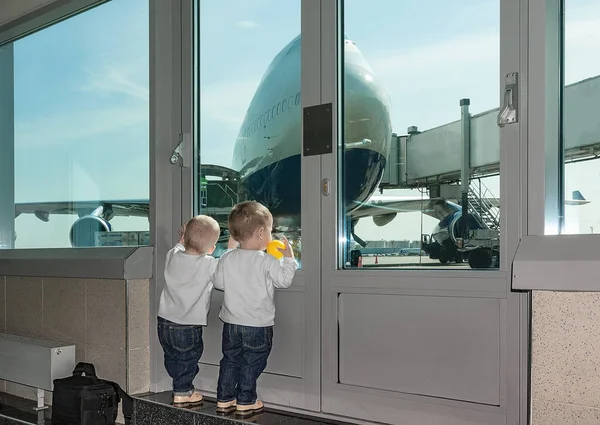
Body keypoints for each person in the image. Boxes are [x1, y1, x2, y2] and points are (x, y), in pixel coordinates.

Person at [213, 201, 298, 416]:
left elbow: (219, 284)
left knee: (230, 361)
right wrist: (289, 259)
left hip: (231, 324)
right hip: (257, 326)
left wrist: (231, 250)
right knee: (253, 362)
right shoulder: (267, 260)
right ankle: (245, 400)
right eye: (270, 230)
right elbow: (284, 281)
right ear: (261, 232)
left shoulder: (227, 257)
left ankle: (224, 399)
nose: (271, 234)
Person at [157, 215, 235, 407]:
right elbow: (221, 279)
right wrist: (231, 249)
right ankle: (183, 391)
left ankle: (178, 382)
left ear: (185, 239)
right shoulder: (208, 263)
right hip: (187, 325)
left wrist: (182, 240)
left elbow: (177, 247)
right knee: (189, 357)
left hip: (164, 321)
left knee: (172, 355)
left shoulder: (172, 255)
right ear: (211, 249)